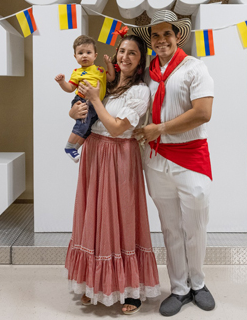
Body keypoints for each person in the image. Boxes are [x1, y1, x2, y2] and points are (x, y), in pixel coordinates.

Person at [65, 35, 160, 315]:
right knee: (93, 216)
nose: (125, 57)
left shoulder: (140, 91)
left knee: (122, 217)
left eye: (132, 53)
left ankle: (130, 288)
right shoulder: (105, 82)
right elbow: (84, 113)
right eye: (122, 51)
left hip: (120, 156)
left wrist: (95, 99)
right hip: (94, 153)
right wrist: (75, 109)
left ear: (140, 60)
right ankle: (93, 284)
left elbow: (118, 127)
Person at [132, 10, 215, 317]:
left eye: (167, 33)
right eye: (155, 35)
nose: (161, 39)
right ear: (150, 40)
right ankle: (179, 288)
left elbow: (203, 112)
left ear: (178, 35)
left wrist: (161, 128)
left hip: (191, 158)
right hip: (155, 161)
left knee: (195, 226)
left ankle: (199, 283)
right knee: (170, 228)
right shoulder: (145, 73)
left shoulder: (195, 68)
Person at [55, 35, 115, 162]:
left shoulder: (100, 70)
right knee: (82, 125)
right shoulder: (77, 72)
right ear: (75, 56)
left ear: (95, 55)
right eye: (80, 53)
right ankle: (69, 146)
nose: (84, 55)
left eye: (88, 52)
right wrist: (62, 83)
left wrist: (109, 64)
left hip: (97, 104)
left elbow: (111, 78)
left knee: (89, 129)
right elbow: (70, 88)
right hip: (83, 100)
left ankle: (76, 147)